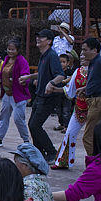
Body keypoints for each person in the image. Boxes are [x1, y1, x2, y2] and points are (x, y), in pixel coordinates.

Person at [22, 29, 64, 162]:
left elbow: (60, 75)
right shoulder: (44, 55)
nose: (38, 39)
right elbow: (42, 72)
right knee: (32, 124)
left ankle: (51, 153)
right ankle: (39, 153)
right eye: (38, 37)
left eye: (42, 37)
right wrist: (29, 76)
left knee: (35, 125)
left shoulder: (52, 55)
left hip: (48, 97)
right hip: (39, 96)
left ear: (49, 41)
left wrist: (51, 83)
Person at [0, 38, 31, 147]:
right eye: (9, 49)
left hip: (18, 95)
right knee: (4, 116)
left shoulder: (21, 61)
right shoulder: (6, 59)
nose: (10, 51)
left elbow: (26, 75)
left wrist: (24, 80)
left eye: (13, 49)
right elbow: (2, 74)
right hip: (7, 93)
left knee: (18, 119)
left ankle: (26, 141)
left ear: (18, 50)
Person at [52, 51, 88, 170]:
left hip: (94, 108)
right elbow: (69, 90)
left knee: (94, 136)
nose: (82, 56)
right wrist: (55, 90)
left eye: (85, 53)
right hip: (79, 108)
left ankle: (98, 164)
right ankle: (63, 161)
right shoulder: (77, 71)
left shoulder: (97, 71)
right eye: (81, 54)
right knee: (70, 133)